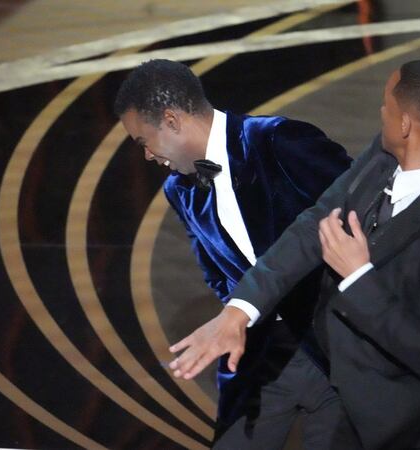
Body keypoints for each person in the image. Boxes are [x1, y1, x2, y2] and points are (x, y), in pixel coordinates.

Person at [168, 60, 420, 449]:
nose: (380, 111)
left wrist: (358, 276)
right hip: (351, 395)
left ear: (405, 125)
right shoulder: (386, 154)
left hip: (419, 427)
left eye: (386, 105)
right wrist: (239, 309)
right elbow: (314, 223)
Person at [114, 59, 356, 449]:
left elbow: (364, 210)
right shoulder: (179, 190)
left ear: (172, 121)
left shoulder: (279, 140)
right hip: (260, 352)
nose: (146, 156)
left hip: (337, 348)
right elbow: (215, 272)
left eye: (144, 142)